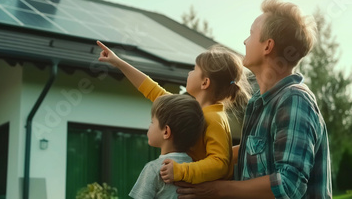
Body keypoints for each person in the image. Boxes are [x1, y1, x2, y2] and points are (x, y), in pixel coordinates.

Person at [175, 0, 332, 199]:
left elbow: (288, 185)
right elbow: (256, 149)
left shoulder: (294, 100)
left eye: (250, 34)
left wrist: (217, 190)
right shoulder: (260, 103)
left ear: (267, 46)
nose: (244, 41)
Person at [97, 40, 251, 184]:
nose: (189, 73)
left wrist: (181, 171)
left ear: (205, 82)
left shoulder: (214, 119)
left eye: (194, 69)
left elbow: (220, 163)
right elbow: (153, 90)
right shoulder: (191, 109)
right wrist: (118, 63)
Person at [129, 94, 205, 199]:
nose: (149, 126)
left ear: (166, 131)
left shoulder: (154, 169)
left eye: (152, 122)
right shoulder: (198, 168)